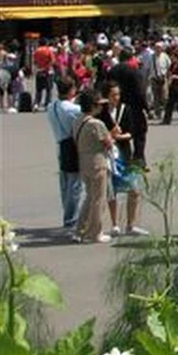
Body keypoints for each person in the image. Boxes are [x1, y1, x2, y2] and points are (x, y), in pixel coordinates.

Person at [97, 78, 146, 237]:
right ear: (106, 96)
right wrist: (111, 135)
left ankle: (131, 224)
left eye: (118, 94)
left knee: (134, 189)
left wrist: (118, 137)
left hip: (123, 153)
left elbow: (130, 132)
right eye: (113, 95)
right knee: (111, 191)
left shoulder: (125, 109)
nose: (116, 98)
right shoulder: (100, 112)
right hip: (107, 155)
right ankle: (115, 224)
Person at [73, 90, 114, 244]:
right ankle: (94, 232)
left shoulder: (78, 120)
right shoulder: (96, 124)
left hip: (83, 160)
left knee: (89, 197)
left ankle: (80, 229)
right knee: (98, 198)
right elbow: (108, 143)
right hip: (97, 161)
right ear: (93, 106)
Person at [46, 76, 82, 232]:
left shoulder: (51, 106)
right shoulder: (72, 109)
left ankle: (68, 214)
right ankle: (71, 218)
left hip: (60, 143)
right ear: (71, 90)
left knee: (65, 182)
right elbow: (80, 115)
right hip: (71, 144)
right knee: (75, 184)